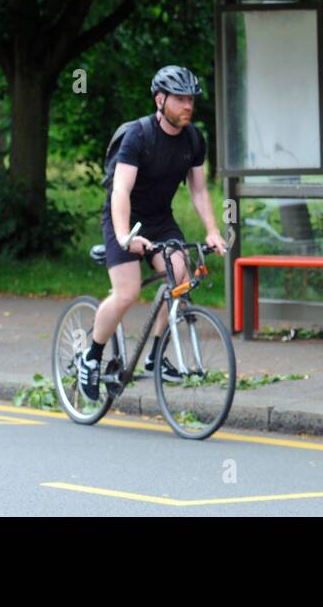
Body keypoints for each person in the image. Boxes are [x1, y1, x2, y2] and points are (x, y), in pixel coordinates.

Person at [77, 65, 227, 400]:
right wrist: (124, 235)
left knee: (180, 278)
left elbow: (199, 191)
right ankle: (92, 356)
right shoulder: (140, 136)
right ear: (160, 100)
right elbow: (120, 191)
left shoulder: (193, 138)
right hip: (125, 218)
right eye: (180, 99)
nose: (188, 105)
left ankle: (155, 357)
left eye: (191, 99)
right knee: (127, 293)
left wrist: (213, 230)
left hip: (160, 219)